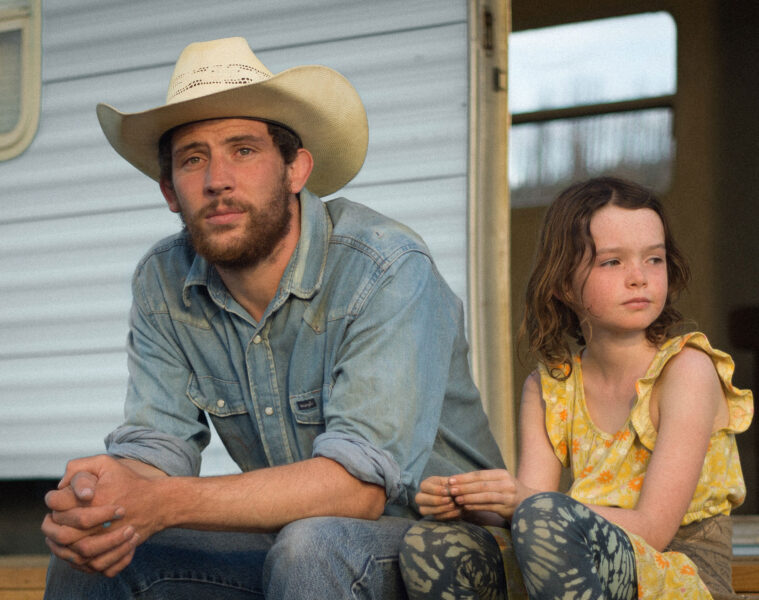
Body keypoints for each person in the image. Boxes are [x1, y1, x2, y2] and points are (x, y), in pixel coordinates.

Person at [40, 36, 506, 599]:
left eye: (243, 150)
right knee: (96, 554)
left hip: (442, 547)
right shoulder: (162, 281)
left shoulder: (386, 265)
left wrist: (161, 502)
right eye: (193, 159)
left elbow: (357, 490)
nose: (217, 180)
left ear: (295, 170)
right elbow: (158, 452)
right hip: (294, 541)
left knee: (313, 545)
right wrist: (98, 498)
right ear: (170, 191)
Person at [403, 177, 754, 599]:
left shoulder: (687, 371)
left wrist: (523, 501)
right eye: (613, 262)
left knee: (542, 516)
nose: (639, 277)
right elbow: (530, 509)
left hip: (684, 577)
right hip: (585, 566)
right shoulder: (550, 387)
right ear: (563, 284)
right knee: (431, 545)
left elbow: (653, 530)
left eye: (654, 259)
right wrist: (476, 503)